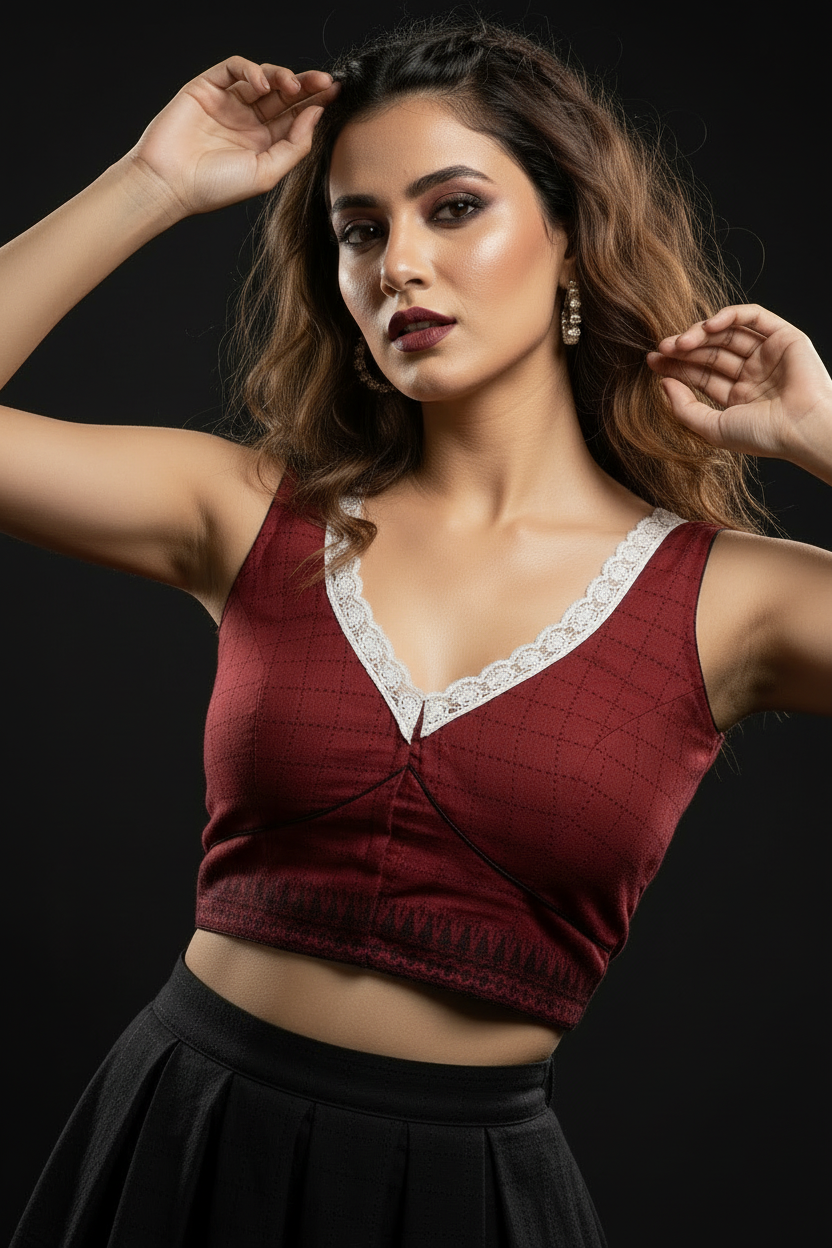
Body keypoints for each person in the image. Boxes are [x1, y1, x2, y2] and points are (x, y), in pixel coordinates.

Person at [6, 14, 831, 1247]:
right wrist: (151, 183)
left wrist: (825, 435)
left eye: (452, 209)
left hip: (466, 1197)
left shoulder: (734, 599)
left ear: (569, 233)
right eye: (359, 230)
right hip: (181, 1145)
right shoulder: (247, 515)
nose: (398, 264)